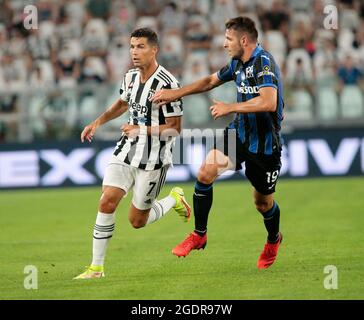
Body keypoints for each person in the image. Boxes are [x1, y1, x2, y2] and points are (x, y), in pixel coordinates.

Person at [152, 16, 284, 269]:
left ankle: (273, 239)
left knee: (262, 203)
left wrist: (230, 107)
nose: (224, 44)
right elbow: (210, 81)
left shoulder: (263, 63)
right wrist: (176, 93)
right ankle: (199, 235)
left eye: (228, 39)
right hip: (239, 135)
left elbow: (268, 102)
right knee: (206, 171)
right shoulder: (237, 63)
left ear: (243, 40)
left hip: (265, 144)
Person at [74, 28, 191, 279]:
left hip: (153, 160)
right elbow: (122, 104)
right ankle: (96, 268)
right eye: (132, 46)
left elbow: (175, 129)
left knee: (137, 221)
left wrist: (141, 129)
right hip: (126, 151)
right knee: (107, 200)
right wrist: (97, 122)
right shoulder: (129, 77)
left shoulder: (168, 84)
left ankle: (174, 199)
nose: (134, 52)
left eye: (140, 47)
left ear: (154, 50)